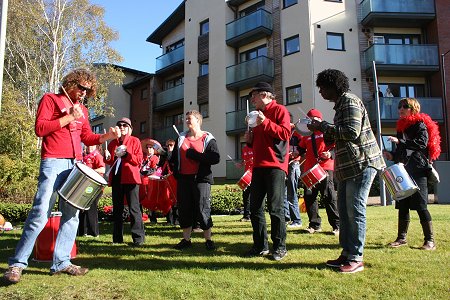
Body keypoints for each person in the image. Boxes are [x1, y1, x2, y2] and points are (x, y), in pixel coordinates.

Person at [3, 68, 120, 284]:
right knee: (40, 212)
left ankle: (62, 262)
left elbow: (87, 136)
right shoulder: (50, 99)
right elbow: (40, 128)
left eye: (88, 90)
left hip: (74, 164)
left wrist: (107, 136)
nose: (84, 93)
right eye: (81, 88)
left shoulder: (83, 110)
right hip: (53, 161)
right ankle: (17, 264)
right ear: (70, 84)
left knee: (72, 214)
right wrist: (68, 117)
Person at [308, 69, 385, 273]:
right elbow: (339, 136)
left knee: (355, 210)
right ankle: (347, 252)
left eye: (323, 87)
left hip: (362, 163)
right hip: (348, 166)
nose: (321, 91)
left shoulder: (350, 101)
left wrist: (323, 126)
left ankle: (356, 257)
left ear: (335, 85)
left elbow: (351, 132)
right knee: (344, 209)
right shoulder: (340, 106)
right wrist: (325, 131)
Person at [382, 97, 440, 251]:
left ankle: (430, 241)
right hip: (404, 169)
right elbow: (402, 151)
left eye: (405, 106)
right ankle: (401, 238)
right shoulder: (401, 127)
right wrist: (392, 156)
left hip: (418, 169)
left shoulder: (420, 124)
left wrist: (400, 141)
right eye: (399, 106)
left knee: (421, 205)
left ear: (413, 108)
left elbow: (422, 143)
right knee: (403, 204)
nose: (401, 108)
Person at [244, 82, 291, 261]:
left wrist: (266, 122)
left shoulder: (280, 110)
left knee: (275, 208)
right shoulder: (255, 117)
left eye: (253, 96)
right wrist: (249, 140)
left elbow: (285, 134)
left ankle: (280, 247)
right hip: (258, 166)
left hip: (275, 166)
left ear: (265, 95)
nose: (252, 99)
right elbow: (258, 140)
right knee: (254, 207)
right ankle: (260, 246)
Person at [169, 110, 220, 251]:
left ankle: (208, 240)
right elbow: (174, 158)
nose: (186, 121)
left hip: (201, 180)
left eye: (189, 118)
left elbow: (215, 158)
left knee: (202, 208)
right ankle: (186, 240)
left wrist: (196, 155)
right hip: (184, 179)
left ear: (198, 120)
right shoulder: (181, 138)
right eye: (185, 118)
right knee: (184, 209)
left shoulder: (208, 138)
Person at [105, 117, 145, 246]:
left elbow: (139, 160)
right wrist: (106, 157)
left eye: (125, 125)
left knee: (134, 209)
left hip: (130, 178)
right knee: (117, 209)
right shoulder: (112, 143)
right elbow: (111, 161)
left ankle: (138, 239)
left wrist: (126, 154)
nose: (122, 127)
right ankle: (117, 239)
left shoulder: (135, 141)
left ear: (129, 128)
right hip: (117, 178)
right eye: (119, 125)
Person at [298, 109, 339, 235]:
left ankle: (337, 225)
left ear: (320, 120)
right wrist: (296, 153)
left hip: (325, 167)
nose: (312, 122)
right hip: (309, 169)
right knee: (309, 197)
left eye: (315, 120)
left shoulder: (327, 130)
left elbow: (337, 146)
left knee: (329, 196)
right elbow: (300, 148)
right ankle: (314, 225)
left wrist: (330, 154)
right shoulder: (307, 134)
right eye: (310, 120)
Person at [78, 145, 105, 237]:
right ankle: (82, 231)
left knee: (91, 208)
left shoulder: (97, 156)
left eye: (92, 146)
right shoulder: (84, 156)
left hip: (95, 186)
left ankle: (93, 232)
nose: (89, 148)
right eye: (88, 146)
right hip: (85, 185)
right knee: (82, 208)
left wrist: (90, 170)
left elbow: (103, 169)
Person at [284, 122, 303, 228]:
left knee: (291, 192)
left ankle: (297, 220)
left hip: (293, 164)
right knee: (284, 193)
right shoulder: (285, 133)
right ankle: (286, 218)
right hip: (285, 165)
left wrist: (296, 154)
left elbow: (302, 148)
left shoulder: (297, 134)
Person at [140, 141, 161, 224]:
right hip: (141, 181)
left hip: (150, 181)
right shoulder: (143, 157)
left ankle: (153, 218)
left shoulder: (155, 158)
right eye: (148, 147)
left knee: (150, 199)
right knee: (140, 199)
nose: (149, 149)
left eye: (151, 148)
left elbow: (153, 169)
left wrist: (143, 172)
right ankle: (140, 217)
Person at [236, 143, 253, 222]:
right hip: (247, 175)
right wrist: (240, 164)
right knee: (245, 196)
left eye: (247, 134)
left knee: (255, 197)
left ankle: (254, 215)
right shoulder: (245, 148)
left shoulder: (256, 146)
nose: (246, 136)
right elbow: (244, 161)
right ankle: (246, 216)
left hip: (255, 175)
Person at [163, 139, 179, 225]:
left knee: (176, 200)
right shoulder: (166, 156)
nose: (169, 147)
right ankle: (169, 220)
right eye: (167, 145)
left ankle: (177, 220)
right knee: (168, 200)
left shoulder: (175, 156)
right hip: (168, 181)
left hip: (175, 180)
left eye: (171, 145)